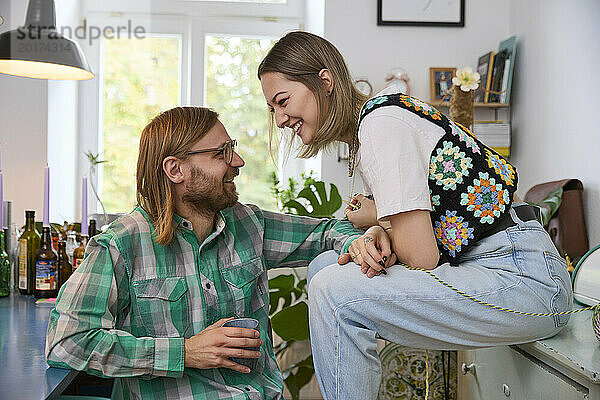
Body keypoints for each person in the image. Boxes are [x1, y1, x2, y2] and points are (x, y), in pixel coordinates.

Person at [258, 31, 573, 400]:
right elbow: (427, 221)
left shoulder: (381, 124)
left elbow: (422, 257)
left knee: (334, 290)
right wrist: (380, 229)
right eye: (272, 109)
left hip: (526, 279)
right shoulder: (373, 126)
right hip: (485, 267)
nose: (279, 119)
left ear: (324, 82)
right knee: (324, 266)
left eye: (283, 101)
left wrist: (380, 222)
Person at [45, 106, 391, 400]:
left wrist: (359, 240)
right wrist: (187, 352)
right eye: (220, 153)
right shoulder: (122, 245)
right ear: (175, 169)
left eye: (233, 149)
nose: (237, 161)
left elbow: (328, 231)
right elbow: (68, 341)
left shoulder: (249, 223)